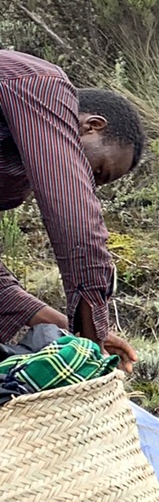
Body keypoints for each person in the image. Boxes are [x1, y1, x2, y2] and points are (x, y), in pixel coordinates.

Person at [0, 52, 143, 371]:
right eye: (97, 172)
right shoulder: (40, 85)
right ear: (90, 126)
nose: (87, 186)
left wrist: (72, 330)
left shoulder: (13, 168)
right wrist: (93, 344)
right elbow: (77, 226)